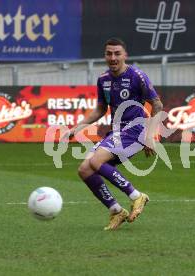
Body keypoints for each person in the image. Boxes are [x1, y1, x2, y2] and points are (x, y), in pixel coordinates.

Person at [66, 38, 163, 230]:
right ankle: (116, 210)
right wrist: (78, 127)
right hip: (117, 132)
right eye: (109, 53)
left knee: (96, 161)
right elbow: (101, 109)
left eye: (117, 53)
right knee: (84, 169)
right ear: (105, 56)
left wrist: (150, 136)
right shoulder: (103, 80)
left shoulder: (137, 76)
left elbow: (157, 105)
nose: (113, 57)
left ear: (125, 55)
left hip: (136, 130)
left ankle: (137, 196)